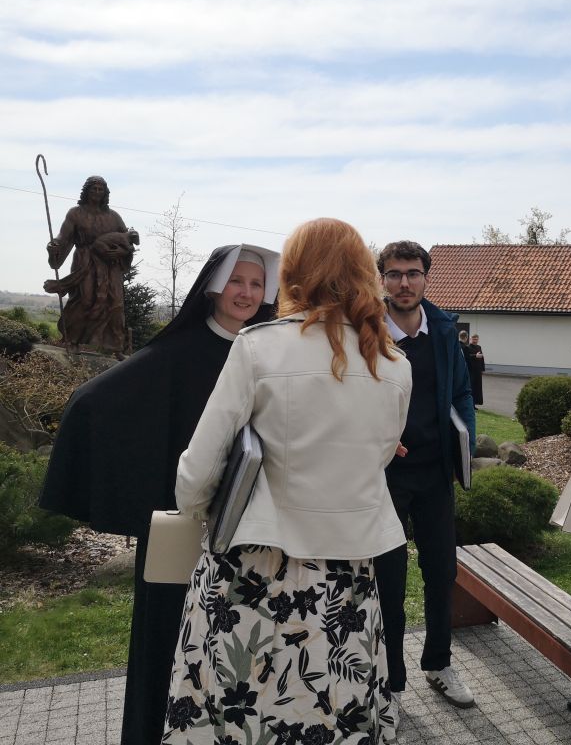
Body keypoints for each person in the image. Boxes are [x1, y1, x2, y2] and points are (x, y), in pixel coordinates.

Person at [165, 219, 408, 744]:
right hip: (345, 579)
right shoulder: (394, 364)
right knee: (331, 714)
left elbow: (199, 470)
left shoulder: (259, 347)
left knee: (238, 714)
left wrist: (198, 509)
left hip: (252, 570)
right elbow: (380, 459)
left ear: (293, 273)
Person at [39, 243, 278, 745]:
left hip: (251, 527)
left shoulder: (270, 353)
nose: (246, 293)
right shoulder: (178, 351)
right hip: (184, 524)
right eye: (237, 281)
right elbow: (93, 400)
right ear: (213, 287)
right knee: (168, 638)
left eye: (257, 284)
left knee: (239, 646)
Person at [374, 240, 477, 708]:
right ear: (382, 279)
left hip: (435, 473)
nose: (404, 282)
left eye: (413, 273)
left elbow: (460, 393)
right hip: (385, 476)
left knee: (441, 572)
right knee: (388, 580)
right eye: (394, 274)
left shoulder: (443, 329)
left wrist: (462, 450)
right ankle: (391, 683)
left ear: (425, 278)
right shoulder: (367, 331)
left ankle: (438, 663)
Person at [43, 176, 138, 355]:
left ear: (105, 193)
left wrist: (121, 252)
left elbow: (128, 241)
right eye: (93, 188)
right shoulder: (75, 214)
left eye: (100, 189)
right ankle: (73, 340)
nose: (97, 192)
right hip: (85, 263)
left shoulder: (114, 216)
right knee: (84, 300)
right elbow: (63, 237)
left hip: (111, 265)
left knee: (115, 303)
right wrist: (54, 246)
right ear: (86, 191)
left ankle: (115, 347)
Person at [468, 334, 485, 406]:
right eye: (474, 339)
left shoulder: (479, 347)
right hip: (471, 370)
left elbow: (482, 358)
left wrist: (482, 368)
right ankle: (471, 403)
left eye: (476, 339)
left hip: (478, 370)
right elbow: (467, 356)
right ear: (470, 339)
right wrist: (475, 355)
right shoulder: (468, 347)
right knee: (472, 387)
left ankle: (475, 403)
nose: (475, 340)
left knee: (478, 387)